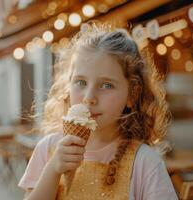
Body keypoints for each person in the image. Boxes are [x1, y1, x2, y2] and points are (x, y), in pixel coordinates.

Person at [18, 23, 178, 200]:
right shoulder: (48, 149)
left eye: (106, 85)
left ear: (132, 94)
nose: (89, 97)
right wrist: (54, 169)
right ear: (67, 85)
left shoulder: (145, 162)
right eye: (80, 82)